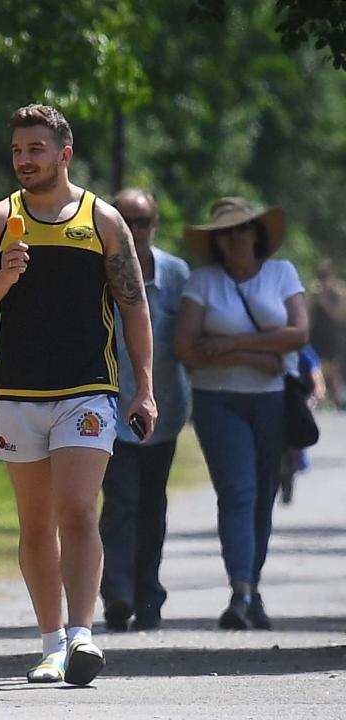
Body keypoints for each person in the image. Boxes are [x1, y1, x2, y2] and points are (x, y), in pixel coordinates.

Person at [0, 104, 156, 686]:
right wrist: (4, 276)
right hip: (17, 392)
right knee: (36, 522)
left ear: (64, 154)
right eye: (17, 151)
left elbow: (134, 307)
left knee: (76, 508)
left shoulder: (103, 220)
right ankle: (49, 643)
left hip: (87, 390)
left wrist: (145, 389)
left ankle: (81, 636)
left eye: (35, 150)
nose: (24, 161)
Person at [173, 196, 308, 630]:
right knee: (238, 492)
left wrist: (231, 346)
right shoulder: (203, 282)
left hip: (270, 400)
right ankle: (240, 590)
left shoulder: (282, 274)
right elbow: (186, 347)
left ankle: (253, 586)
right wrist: (260, 352)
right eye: (225, 234)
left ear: (258, 235)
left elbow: (298, 334)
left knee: (263, 495)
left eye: (242, 230)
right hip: (218, 401)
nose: (234, 239)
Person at [99, 188, 190, 632]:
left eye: (142, 222)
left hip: (164, 411)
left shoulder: (176, 275)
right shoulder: (96, 269)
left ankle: (148, 594)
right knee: (119, 501)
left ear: (154, 225)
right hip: (108, 410)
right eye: (125, 221)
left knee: (152, 505)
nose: (134, 231)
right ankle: (116, 592)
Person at [278, 345, 325, 505]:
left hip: (297, 399)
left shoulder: (303, 351)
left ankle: (292, 468)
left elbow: (315, 375)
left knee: (297, 438)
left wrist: (315, 395)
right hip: (274, 397)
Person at [308, 259, 346, 409]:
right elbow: (308, 318)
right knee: (316, 368)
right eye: (320, 276)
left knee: (335, 369)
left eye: (325, 276)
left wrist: (325, 302)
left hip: (335, 337)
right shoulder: (315, 294)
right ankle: (318, 398)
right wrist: (314, 299)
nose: (323, 280)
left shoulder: (340, 292)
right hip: (317, 337)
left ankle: (337, 401)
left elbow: (340, 316)